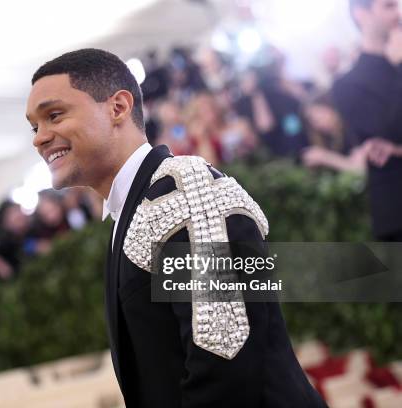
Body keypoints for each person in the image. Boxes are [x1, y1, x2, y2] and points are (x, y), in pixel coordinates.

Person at [26, 48, 326, 407]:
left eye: (54, 115)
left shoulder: (187, 192)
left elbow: (225, 354)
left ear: (118, 107)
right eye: (34, 126)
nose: (39, 137)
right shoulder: (135, 208)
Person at [332, 0, 402, 241]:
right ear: (362, 15)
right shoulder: (347, 85)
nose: (398, 13)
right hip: (395, 208)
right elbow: (385, 131)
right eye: (389, 6)